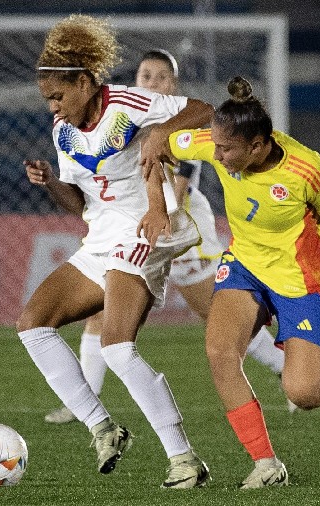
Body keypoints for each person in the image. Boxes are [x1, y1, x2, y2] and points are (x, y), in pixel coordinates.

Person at [16, 15, 212, 489]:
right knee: (32, 325)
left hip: (149, 225)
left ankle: (183, 458)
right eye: (48, 99)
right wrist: (51, 183)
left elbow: (203, 109)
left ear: (85, 82)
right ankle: (103, 427)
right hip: (103, 235)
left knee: (118, 346)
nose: (53, 106)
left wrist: (162, 133)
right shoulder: (64, 131)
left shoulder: (126, 102)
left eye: (58, 95)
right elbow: (80, 202)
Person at [44, 49, 289, 426]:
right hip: (144, 228)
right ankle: (85, 399)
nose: (153, 82)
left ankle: (289, 363)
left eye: (161, 77)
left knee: (215, 314)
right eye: (146, 76)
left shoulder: (182, 129)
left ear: (172, 86)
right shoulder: (129, 119)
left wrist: (153, 214)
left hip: (178, 227)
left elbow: (180, 187)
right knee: (102, 313)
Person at [166, 76, 320, 489]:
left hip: (302, 280)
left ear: (258, 146)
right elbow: (160, 142)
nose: (217, 155)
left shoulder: (310, 170)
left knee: (304, 395)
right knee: (220, 351)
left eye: (227, 150)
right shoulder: (216, 143)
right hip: (245, 265)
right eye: (215, 146)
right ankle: (265, 464)